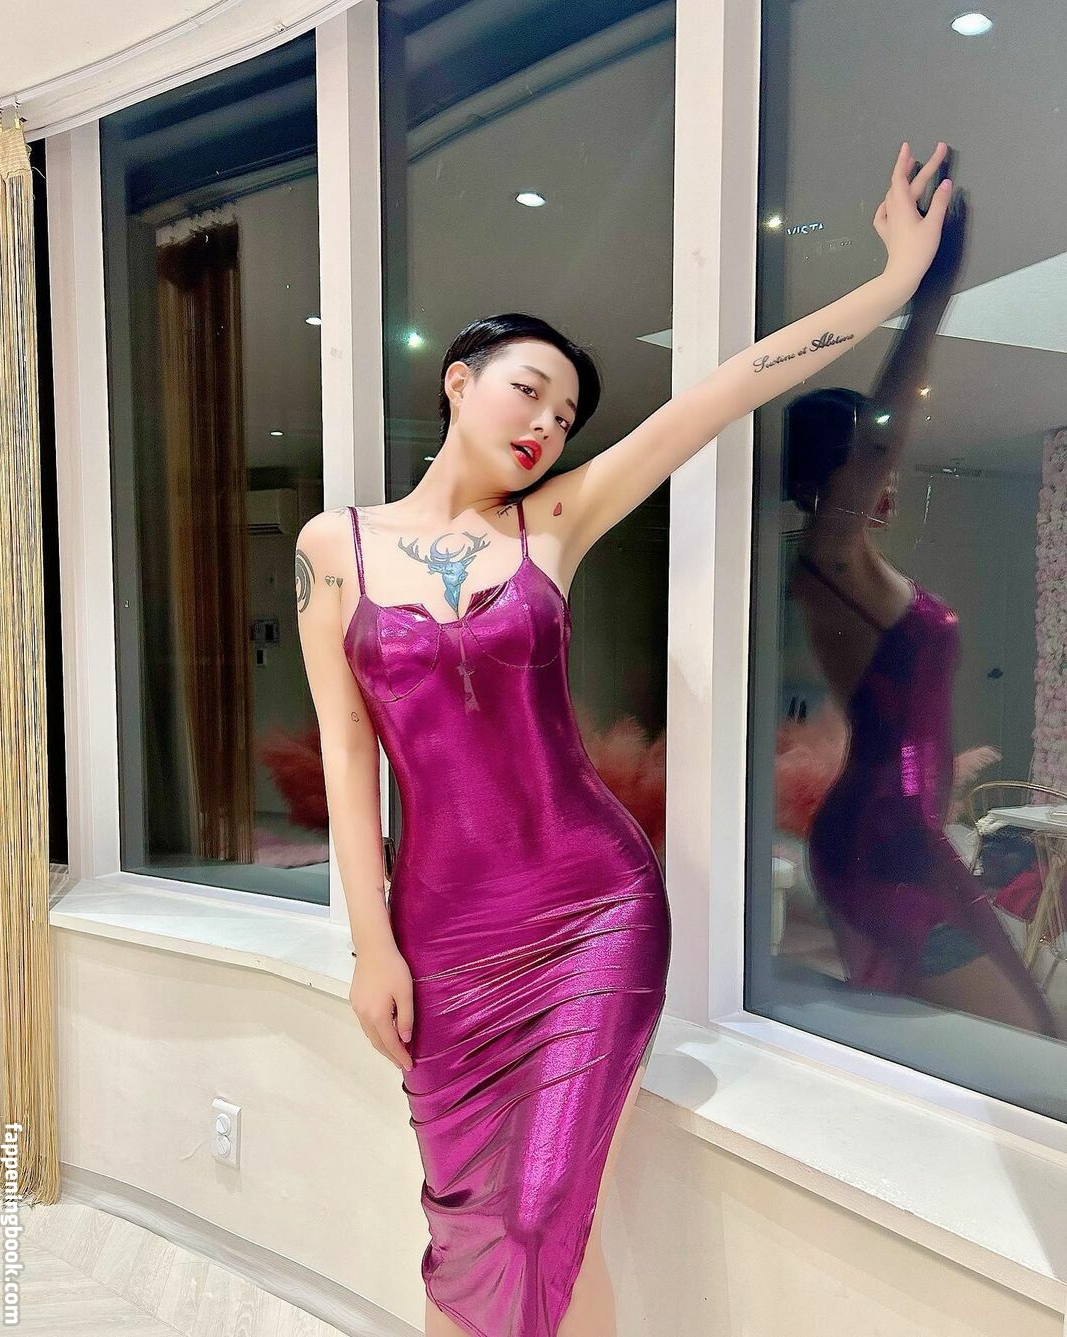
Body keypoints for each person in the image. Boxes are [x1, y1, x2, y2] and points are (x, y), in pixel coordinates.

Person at [295, 141, 955, 1337]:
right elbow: (350, 757)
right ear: (458, 382)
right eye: (528, 390)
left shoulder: (555, 520)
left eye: (565, 413)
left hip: (590, 911)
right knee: (470, 1217)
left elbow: (723, 391)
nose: (548, 422)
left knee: (540, 1212)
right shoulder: (331, 549)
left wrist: (893, 284)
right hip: (442, 934)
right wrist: (370, 944)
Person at [783, 154, 1059, 1040]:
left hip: (902, 833)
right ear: (829, 479)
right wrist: (929, 295)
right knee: (1025, 1041)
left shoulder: (851, 566)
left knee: (963, 1037)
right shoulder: (827, 557)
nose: (888, 475)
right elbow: (883, 435)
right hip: (884, 841)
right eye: (867, 462)